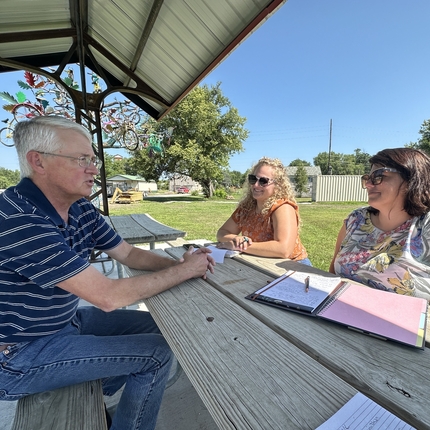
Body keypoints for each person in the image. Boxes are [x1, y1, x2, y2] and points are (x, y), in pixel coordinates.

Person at [0, 116, 215, 430]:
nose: (93, 168)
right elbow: (107, 297)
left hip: (65, 324)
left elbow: (127, 253)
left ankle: (91, 382)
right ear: (39, 162)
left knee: (167, 330)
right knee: (154, 355)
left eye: (93, 159)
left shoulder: (81, 207)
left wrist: (179, 265)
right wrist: (185, 272)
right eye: (82, 159)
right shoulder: (18, 219)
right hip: (19, 355)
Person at [329, 147, 430, 300]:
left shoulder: (426, 226)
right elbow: (332, 274)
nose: (368, 184)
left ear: (411, 180)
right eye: (367, 178)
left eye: (378, 176)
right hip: (337, 315)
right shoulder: (355, 220)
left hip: (400, 322)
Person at [216, 157, 310, 263]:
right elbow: (222, 232)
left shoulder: (283, 207)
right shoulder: (246, 208)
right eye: (253, 179)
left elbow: (284, 250)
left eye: (263, 181)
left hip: (292, 267)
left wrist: (241, 246)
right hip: (262, 264)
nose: (256, 185)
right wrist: (235, 239)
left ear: (278, 185)